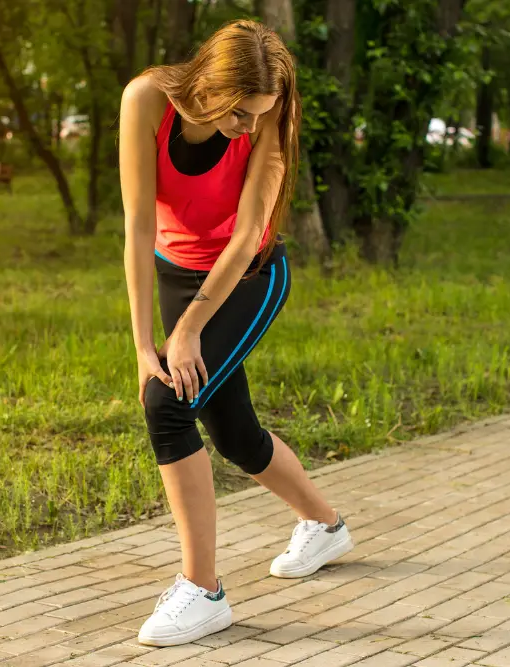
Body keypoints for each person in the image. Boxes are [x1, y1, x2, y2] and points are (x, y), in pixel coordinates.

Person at [119, 20, 354, 648]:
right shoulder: (146, 100)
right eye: (240, 112)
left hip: (247, 275)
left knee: (167, 404)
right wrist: (145, 344)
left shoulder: (269, 122)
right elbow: (138, 225)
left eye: (260, 114)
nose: (248, 127)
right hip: (175, 271)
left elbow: (249, 234)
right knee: (232, 432)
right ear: (213, 83)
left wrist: (189, 328)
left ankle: (204, 591)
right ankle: (325, 525)